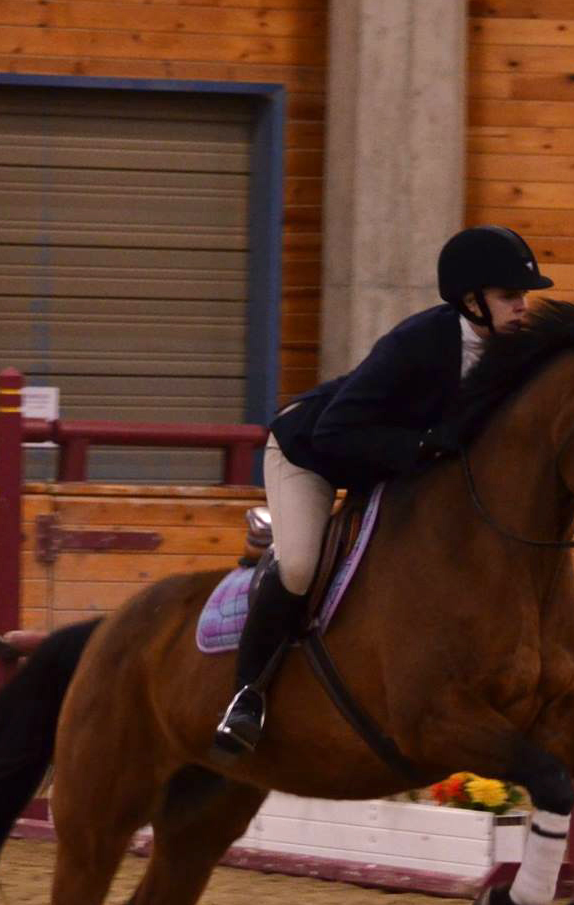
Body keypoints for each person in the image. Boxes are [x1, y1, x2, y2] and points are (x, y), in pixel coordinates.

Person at [211, 225, 554, 760]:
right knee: (301, 565)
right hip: (312, 452)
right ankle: (246, 695)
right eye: (510, 296)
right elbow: (337, 432)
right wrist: (422, 443)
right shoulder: (415, 345)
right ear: (472, 302)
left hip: (390, 464)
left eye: (524, 296)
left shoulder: (512, 352)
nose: (523, 308)